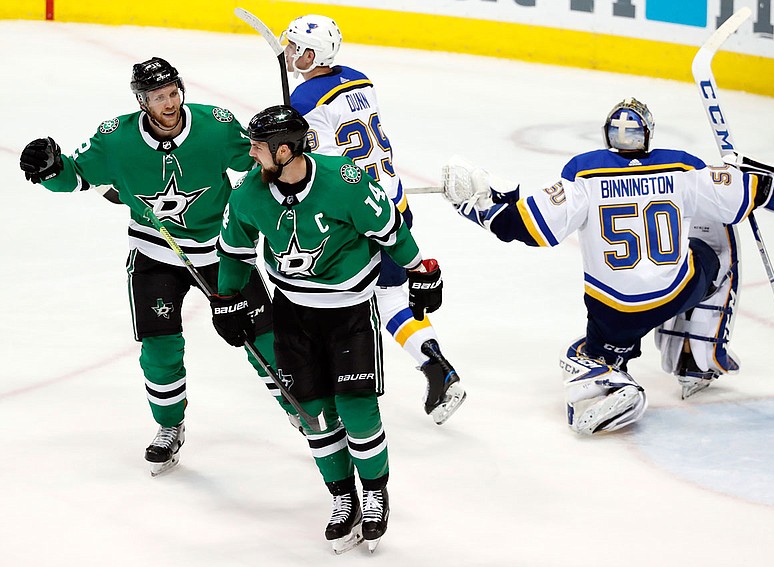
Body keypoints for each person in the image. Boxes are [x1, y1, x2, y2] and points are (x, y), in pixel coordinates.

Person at [442, 97, 774, 435]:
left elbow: (525, 227)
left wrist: (479, 209)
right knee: (716, 238)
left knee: (585, 354)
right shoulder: (683, 166)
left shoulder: (584, 172)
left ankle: (605, 377)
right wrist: (740, 170)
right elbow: (755, 195)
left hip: (615, 312)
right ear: (648, 134)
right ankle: (696, 358)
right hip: (676, 293)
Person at [18, 56, 287, 475]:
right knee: (160, 349)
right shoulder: (115, 138)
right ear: (142, 101)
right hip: (155, 253)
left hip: (221, 251)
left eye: (173, 93)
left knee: (264, 337)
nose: (169, 103)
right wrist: (51, 169)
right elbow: (75, 176)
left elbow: (257, 162)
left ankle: (299, 406)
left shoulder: (215, 124)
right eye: (158, 97)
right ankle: (169, 425)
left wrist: (287, 158)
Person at [210, 105, 443, 553]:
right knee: (313, 414)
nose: (249, 152)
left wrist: (420, 271)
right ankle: (343, 498)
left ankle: (375, 493)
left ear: (284, 150)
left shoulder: (345, 181)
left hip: (349, 313)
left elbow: (391, 232)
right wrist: (227, 301)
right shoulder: (248, 196)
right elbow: (234, 252)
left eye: (258, 146)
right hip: (292, 314)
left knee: (355, 407)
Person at [277, 14, 466, 425]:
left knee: (345, 302)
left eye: (294, 47)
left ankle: (336, 390)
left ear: (311, 55)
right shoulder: (360, 79)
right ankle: (435, 366)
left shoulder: (305, 102)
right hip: (391, 201)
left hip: (359, 214)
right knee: (390, 294)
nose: (288, 52)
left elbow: (319, 164)